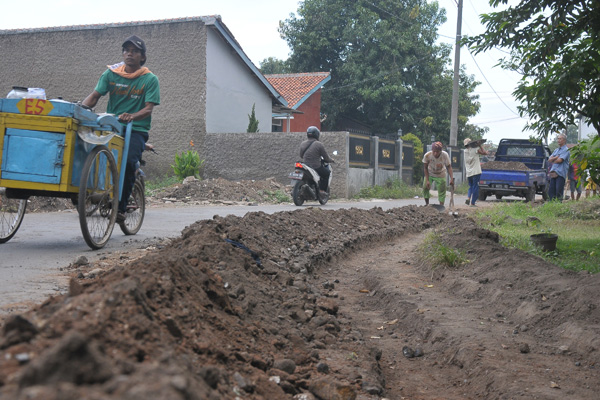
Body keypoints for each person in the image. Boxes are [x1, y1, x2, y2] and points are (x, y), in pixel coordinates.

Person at [82, 35, 160, 222]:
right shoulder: (110, 74)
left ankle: (121, 207)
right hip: (113, 125)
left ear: (142, 57)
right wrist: (81, 111)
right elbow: (94, 96)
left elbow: (148, 109)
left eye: (134, 51)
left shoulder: (150, 79)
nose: (129, 54)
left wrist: (132, 116)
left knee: (127, 162)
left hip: (136, 128)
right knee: (88, 151)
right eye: (126, 50)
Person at [299, 126, 334, 196]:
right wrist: (332, 160)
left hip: (305, 165)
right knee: (326, 173)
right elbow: (326, 157)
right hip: (315, 166)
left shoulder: (303, 144)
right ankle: (322, 191)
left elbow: (301, 156)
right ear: (317, 134)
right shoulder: (319, 144)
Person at [422, 141, 454, 206]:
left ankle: (441, 206)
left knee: (442, 191)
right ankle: (427, 204)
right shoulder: (427, 155)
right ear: (432, 150)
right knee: (425, 187)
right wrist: (427, 180)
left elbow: (449, 167)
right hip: (430, 173)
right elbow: (425, 168)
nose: (435, 153)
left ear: (441, 151)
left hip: (441, 174)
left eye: (437, 151)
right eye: (434, 151)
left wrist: (451, 178)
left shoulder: (445, 155)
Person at [463, 138, 488, 206]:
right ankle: (473, 202)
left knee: (470, 186)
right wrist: (480, 145)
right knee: (475, 187)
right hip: (476, 172)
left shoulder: (465, 151)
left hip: (469, 173)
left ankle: (468, 198)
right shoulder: (475, 149)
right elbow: (485, 153)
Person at [547, 133, 570, 202]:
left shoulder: (566, 150)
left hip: (560, 173)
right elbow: (549, 159)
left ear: (564, 140)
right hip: (554, 173)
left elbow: (560, 160)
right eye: (558, 139)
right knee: (551, 191)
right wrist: (555, 158)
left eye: (560, 139)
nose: (558, 140)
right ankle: (551, 205)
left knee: (558, 191)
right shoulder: (556, 150)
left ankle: (558, 205)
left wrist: (554, 159)